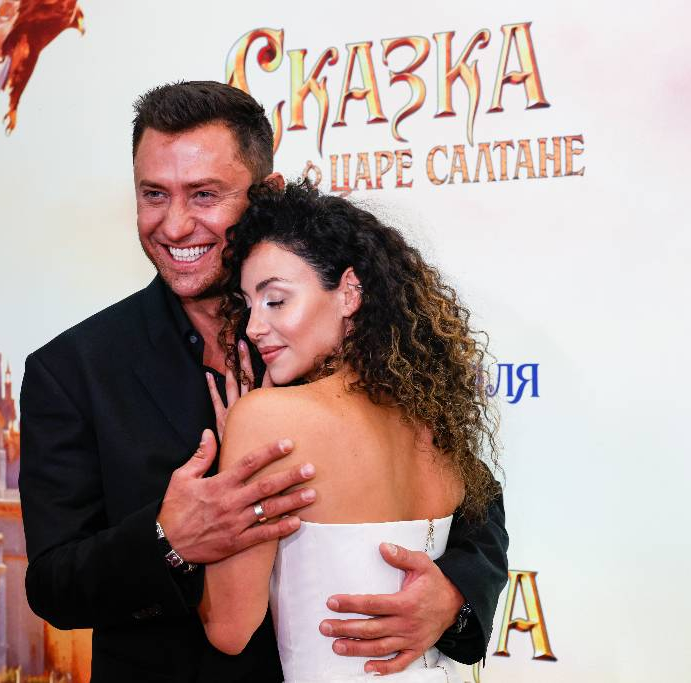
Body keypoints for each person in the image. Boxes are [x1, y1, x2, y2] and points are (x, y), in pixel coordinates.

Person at [19, 81, 508, 682]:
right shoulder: (73, 369)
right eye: (154, 194)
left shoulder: (344, 348)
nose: (175, 225)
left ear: (266, 194)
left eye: (205, 195)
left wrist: (453, 598)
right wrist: (168, 541)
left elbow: (478, 510)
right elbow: (53, 584)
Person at [197, 180, 500, 682]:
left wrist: (230, 460)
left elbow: (230, 630)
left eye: (275, 300)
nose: (252, 327)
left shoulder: (265, 419)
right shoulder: (435, 422)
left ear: (349, 292)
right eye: (248, 304)